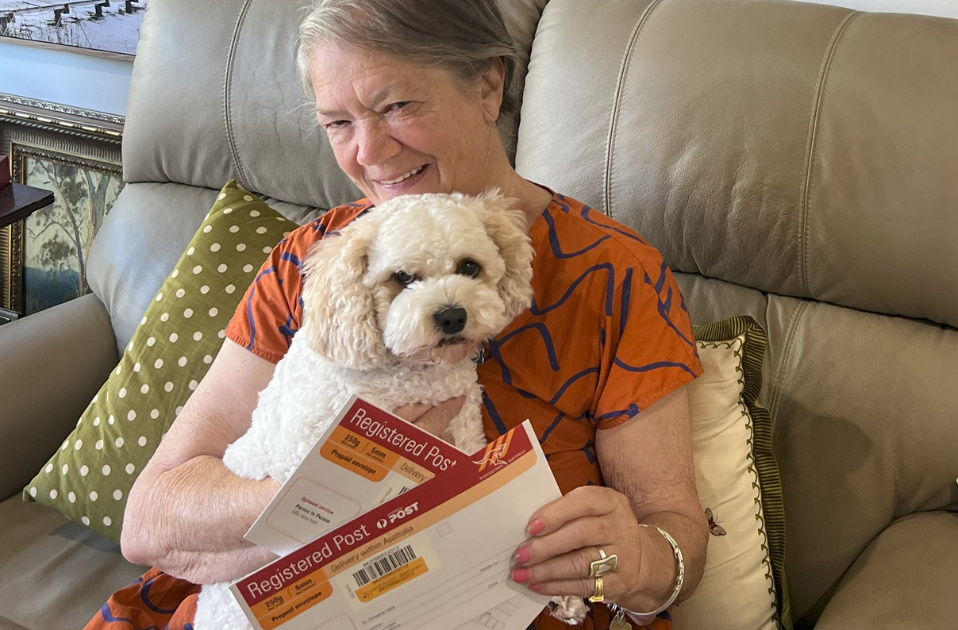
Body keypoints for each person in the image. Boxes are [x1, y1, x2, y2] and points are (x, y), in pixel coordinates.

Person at [90, 1, 707, 628]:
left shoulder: (613, 275)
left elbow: (675, 530)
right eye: (337, 122)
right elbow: (150, 522)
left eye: (396, 107)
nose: (369, 151)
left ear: (489, 86)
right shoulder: (312, 266)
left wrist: (637, 562)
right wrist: (330, 505)